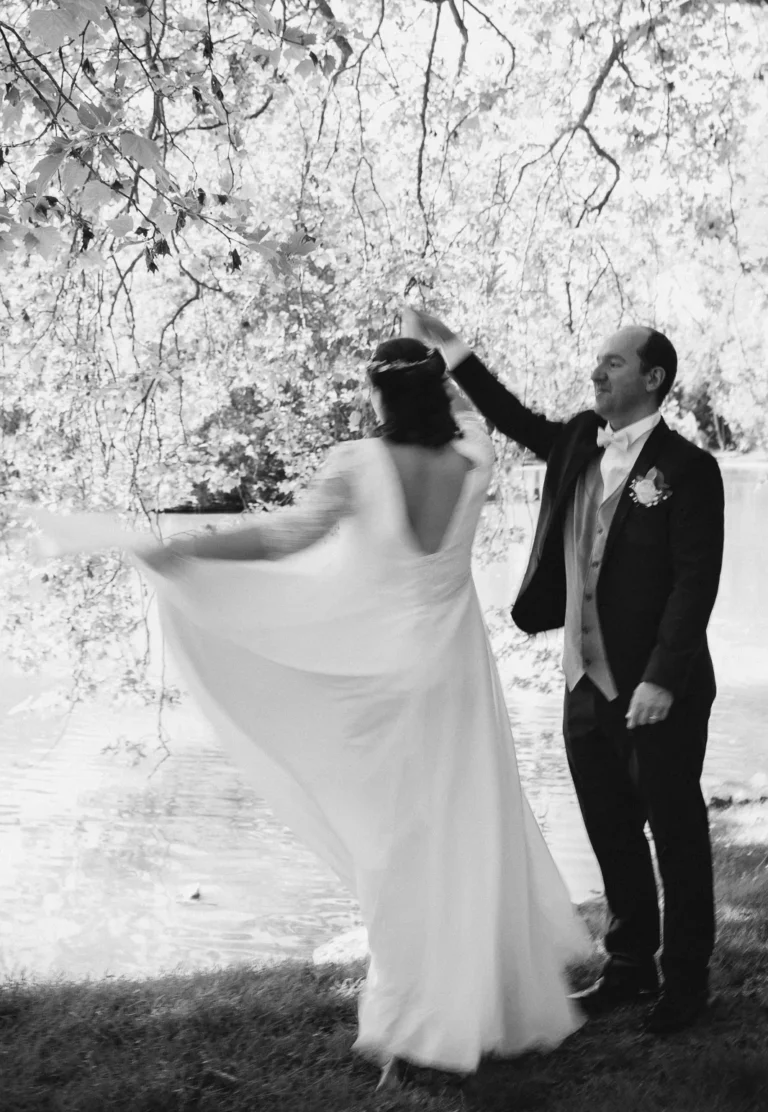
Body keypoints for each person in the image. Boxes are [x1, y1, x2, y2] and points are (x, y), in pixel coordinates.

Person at [28, 338, 589, 1088]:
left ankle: (416, 1024)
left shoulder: (359, 463)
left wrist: (189, 548)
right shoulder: (477, 459)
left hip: (383, 676)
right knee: (466, 827)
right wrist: (441, 359)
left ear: (379, 399)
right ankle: (486, 1009)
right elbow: (468, 411)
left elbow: (287, 535)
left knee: (393, 848)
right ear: (439, 394)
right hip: (453, 671)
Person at [407, 310, 725, 1035]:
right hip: (584, 681)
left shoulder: (690, 471)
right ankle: (629, 966)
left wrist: (661, 678)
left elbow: (693, 582)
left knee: (676, 833)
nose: (596, 372)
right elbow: (512, 414)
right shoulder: (581, 439)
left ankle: (687, 984)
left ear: (652, 378)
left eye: (612, 363)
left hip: (655, 689)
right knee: (611, 828)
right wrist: (451, 347)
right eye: (598, 362)